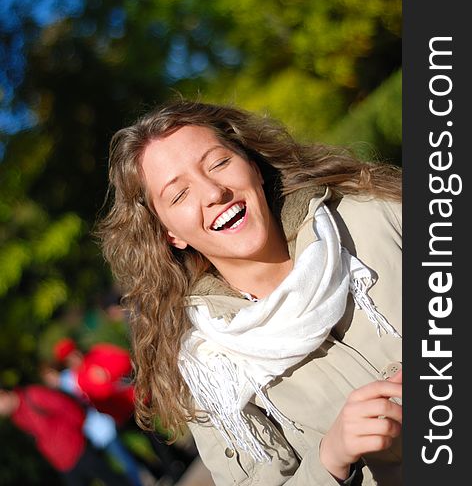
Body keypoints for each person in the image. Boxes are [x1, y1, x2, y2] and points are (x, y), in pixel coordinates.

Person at [96, 99, 402, 485]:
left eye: (219, 163)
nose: (213, 192)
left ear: (253, 167)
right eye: (179, 194)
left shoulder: (376, 215)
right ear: (168, 233)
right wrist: (330, 459)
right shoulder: (207, 368)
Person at [53, 337, 191, 484]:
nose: (74, 359)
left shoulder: (97, 354)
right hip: (121, 415)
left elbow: (124, 360)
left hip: (134, 402)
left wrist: (108, 375)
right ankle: (179, 458)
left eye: (74, 354)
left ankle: (173, 466)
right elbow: (97, 400)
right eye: (69, 359)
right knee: (150, 437)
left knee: (152, 436)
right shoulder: (79, 378)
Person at [0, 384, 131, 486]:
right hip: (62, 463)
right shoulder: (16, 417)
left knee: (112, 480)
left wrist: (74, 434)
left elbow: (67, 406)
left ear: (3, 394)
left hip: (79, 449)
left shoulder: (33, 395)